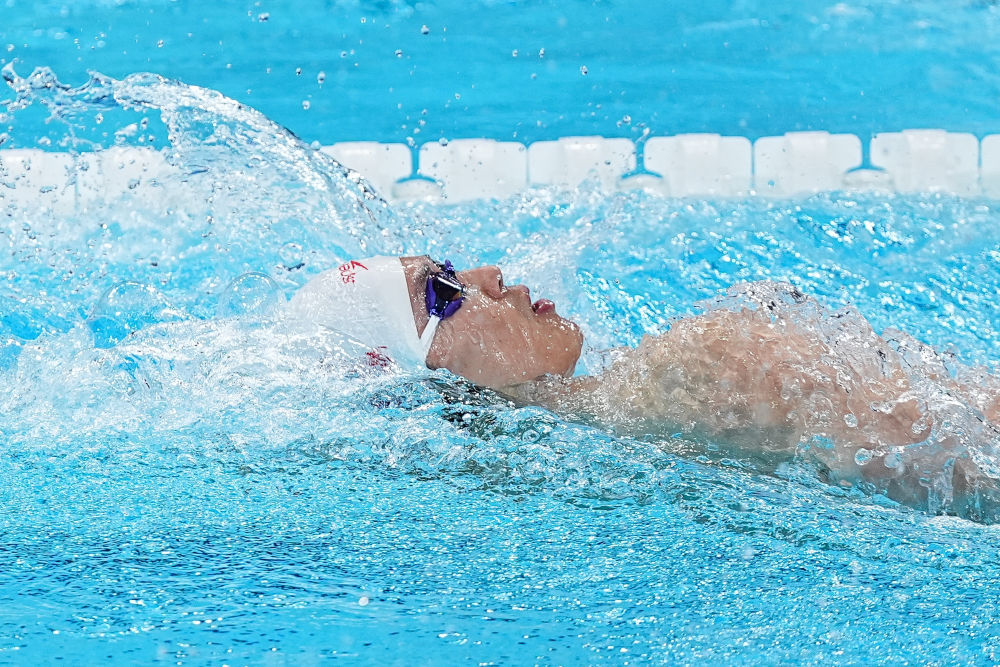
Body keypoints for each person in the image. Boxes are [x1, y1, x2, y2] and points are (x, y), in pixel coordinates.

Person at [287, 255, 1000, 521]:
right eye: (443, 293)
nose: (489, 276)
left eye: (451, 265)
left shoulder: (695, 370)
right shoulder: (685, 380)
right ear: (433, 381)